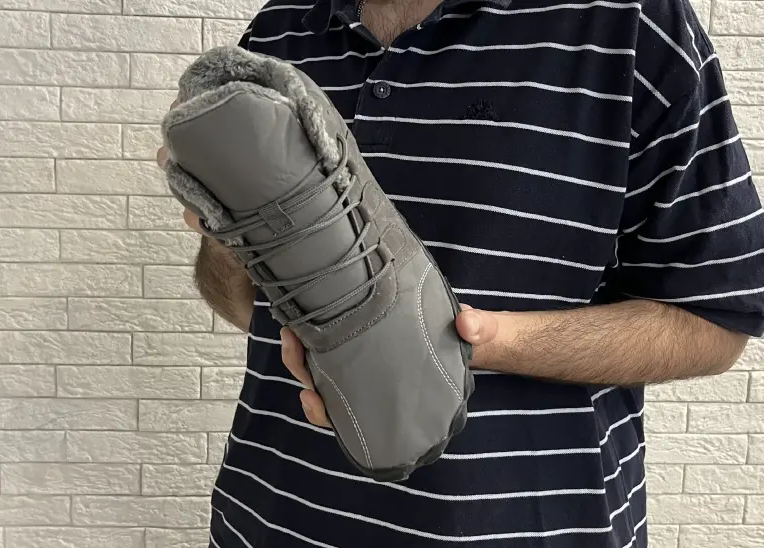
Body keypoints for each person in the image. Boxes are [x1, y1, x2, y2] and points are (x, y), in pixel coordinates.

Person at [157, 0, 764, 546]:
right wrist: (228, 231)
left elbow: (715, 320)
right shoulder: (280, 30)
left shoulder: (630, 23)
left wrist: (471, 342)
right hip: (266, 519)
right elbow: (252, 311)